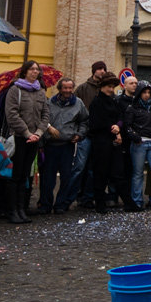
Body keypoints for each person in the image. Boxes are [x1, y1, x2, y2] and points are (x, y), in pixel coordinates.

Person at [4, 61, 50, 224]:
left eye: (37, 70)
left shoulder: (40, 92)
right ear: (24, 72)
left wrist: (37, 133)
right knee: (15, 175)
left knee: (25, 175)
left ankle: (21, 209)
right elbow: (12, 114)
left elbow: (45, 115)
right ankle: (12, 210)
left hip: (34, 139)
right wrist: (27, 133)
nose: (35, 72)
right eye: (32, 69)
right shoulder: (15, 89)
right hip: (18, 137)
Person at [89, 72, 137, 214]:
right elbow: (98, 121)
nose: (111, 89)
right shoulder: (96, 102)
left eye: (112, 87)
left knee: (118, 173)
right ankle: (100, 204)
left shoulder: (114, 101)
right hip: (101, 142)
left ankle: (128, 203)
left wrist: (118, 126)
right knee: (100, 173)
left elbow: (120, 116)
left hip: (113, 141)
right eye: (108, 87)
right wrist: (114, 128)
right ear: (102, 87)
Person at [40, 78, 89, 215]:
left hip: (67, 145)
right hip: (50, 145)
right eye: (65, 88)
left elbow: (85, 121)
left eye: (70, 88)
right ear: (59, 89)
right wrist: (41, 143)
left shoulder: (78, 104)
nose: (68, 91)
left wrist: (79, 135)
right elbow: (42, 121)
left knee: (66, 176)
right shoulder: (49, 103)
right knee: (48, 178)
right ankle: (45, 204)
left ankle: (61, 204)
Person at [66, 60, 108, 209]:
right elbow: (72, 109)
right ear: (94, 71)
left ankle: (87, 198)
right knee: (79, 167)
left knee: (92, 169)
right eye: (99, 69)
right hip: (84, 134)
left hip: (98, 136)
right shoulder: (83, 88)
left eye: (104, 69)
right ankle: (68, 198)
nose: (102, 71)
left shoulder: (106, 89)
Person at [124, 81, 151, 211]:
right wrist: (136, 138)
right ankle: (137, 202)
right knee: (138, 174)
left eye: (149, 93)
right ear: (139, 93)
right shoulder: (132, 108)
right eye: (144, 92)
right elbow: (127, 125)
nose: (147, 95)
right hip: (139, 144)